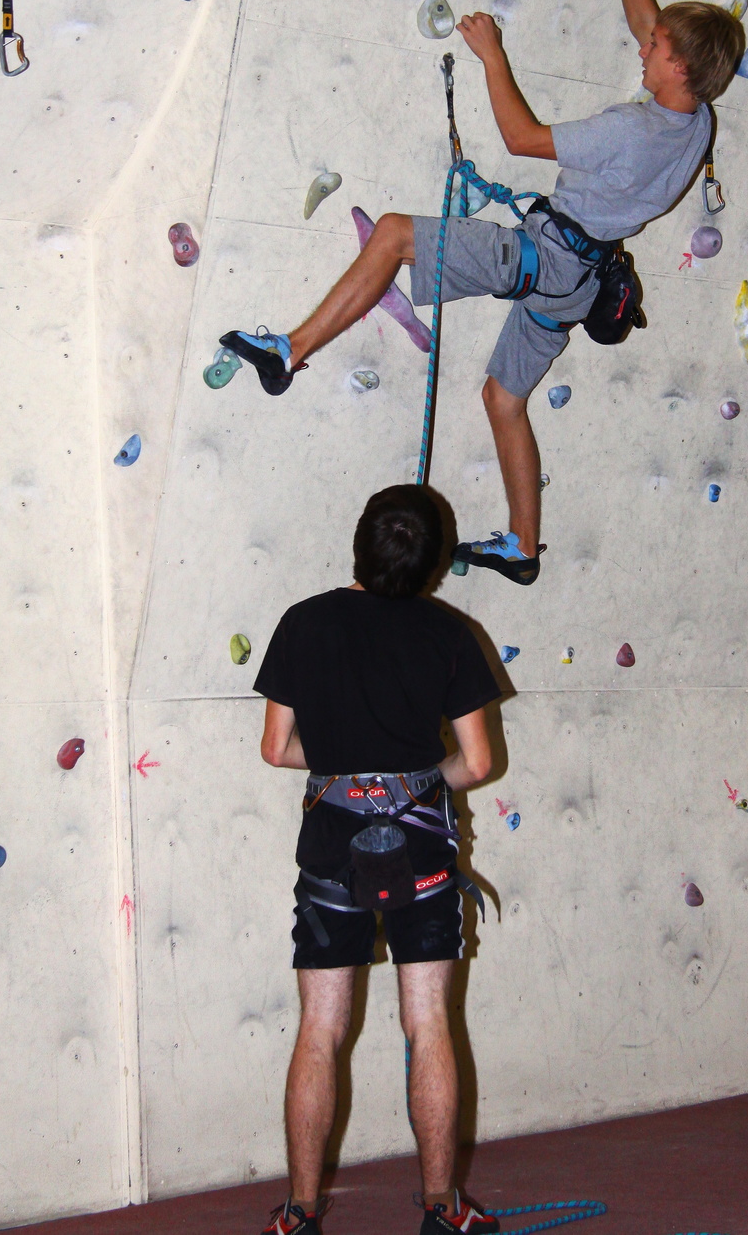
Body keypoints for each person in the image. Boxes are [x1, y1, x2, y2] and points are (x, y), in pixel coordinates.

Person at [222, 0, 745, 586]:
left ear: (680, 68)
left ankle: (287, 353)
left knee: (394, 234)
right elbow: (652, 23)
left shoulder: (634, 132)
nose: (643, 46)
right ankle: (523, 548)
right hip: (580, 283)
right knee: (504, 398)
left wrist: (493, 56)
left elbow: (523, 139)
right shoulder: (696, 121)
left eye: (657, 49)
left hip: (547, 258)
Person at [255, 485, 501, 1235]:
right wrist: (414, 781)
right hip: (422, 845)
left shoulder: (303, 623)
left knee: (319, 1030)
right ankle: (440, 1208)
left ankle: (299, 1212)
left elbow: (276, 749)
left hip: (333, 847)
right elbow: (478, 762)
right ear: (433, 565)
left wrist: (347, 777)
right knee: (428, 1023)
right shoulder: (452, 633)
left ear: (359, 543)